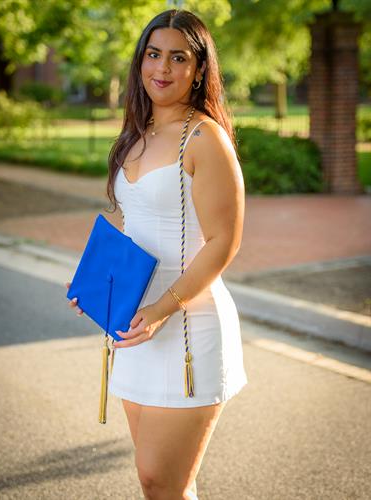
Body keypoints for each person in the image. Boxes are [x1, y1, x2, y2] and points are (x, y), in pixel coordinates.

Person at [66, 9, 248, 500]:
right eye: (152, 54)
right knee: (163, 484)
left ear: (199, 69)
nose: (161, 68)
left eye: (177, 57)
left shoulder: (206, 138)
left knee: (160, 480)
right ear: (140, 61)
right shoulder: (137, 134)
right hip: (134, 326)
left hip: (188, 324)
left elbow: (224, 242)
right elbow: (136, 225)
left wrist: (162, 310)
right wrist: (100, 286)